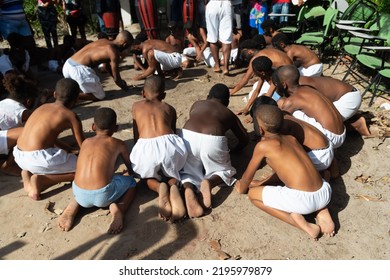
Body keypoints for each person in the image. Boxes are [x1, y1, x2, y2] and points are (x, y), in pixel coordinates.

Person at [235, 103, 335, 240]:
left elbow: (247, 177)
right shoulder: (292, 139)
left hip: (303, 200)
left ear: (261, 129)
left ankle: (302, 224)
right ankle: (321, 209)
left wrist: (241, 188)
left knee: (253, 195)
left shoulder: (263, 146)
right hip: (324, 191)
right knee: (318, 177)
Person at [58, 107, 137, 234]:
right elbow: (130, 167)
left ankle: (74, 205)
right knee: (131, 183)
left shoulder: (85, 142)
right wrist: (128, 174)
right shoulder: (119, 143)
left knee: (91, 184)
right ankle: (119, 210)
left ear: (93, 127)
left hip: (79, 191)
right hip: (103, 196)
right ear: (116, 128)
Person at [179, 83, 249, 218]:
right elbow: (244, 139)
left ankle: (188, 187)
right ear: (227, 102)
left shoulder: (197, 104)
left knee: (187, 169)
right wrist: (234, 150)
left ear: (207, 97)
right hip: (212, 140)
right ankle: (209, 182)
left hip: (188, 136)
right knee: (223, 170)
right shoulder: (229, 113)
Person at [12, 78, 85, 200]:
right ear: (77, 99)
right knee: (85, 169)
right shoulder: (71, 116)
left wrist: (69, 149)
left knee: (51, 157)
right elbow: (84, 147)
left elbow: (46, 137)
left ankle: (26, 174)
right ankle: (42, 180)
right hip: (38, 159)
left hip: (19, 155)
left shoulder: (42, 107)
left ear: (55, 94)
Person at [130, 76, 187, 222]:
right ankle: (173, 184)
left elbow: (137, 136)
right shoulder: (169, 108)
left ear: (143, 93)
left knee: (148, 177)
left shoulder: (136, 106)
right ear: (164, 95)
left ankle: (159, 187)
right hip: (169, 145)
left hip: (146, 145)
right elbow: (173, 133)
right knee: (172, 172)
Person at [251, 96, 334, 173]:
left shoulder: (280, 126)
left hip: (320, 157)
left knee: (272, 157)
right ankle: (331, 167)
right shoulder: (282, 115)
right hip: (326, 148)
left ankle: (320, 174)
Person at [273, 65, 346, 150]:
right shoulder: (308, 88)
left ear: (284, 85)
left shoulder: (291, 102)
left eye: (276, 84)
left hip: (331, 138)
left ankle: (309, 147)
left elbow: (278, 124)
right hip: (342, 133)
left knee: (287, 116)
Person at [62, 30, 133, 101]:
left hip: (67, 64)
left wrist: (117, 79)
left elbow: (106, 66)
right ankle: (67, 96)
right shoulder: (114, 53)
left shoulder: (103, 41)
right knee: (100, 95)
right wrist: (123, 86)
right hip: (77, 69)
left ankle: (62, 93)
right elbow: (117, 79)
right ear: (125, 44)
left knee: (84, 88)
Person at [299, 75, 371, 136]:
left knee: (315, 125)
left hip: (348, 99)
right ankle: (348, 121)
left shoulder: (304, 87)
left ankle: (355, 124)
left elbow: (313, 110)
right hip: (346, 94)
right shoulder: (296, 80)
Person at [230, 36, 292, 104]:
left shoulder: (256, 58)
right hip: (292, 72)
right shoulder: (267, 50)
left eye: (244, 54)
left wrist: (231, 93)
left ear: (250, 51)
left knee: (255, 92)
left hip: (285, 77)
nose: (244, 57)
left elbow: (245, 79)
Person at [205, 0, 233, 75]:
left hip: (212, 4)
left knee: (212, 37)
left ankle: (217, 65)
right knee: (226, 38)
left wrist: (206, 4)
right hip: (226, 4)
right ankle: (226, 68)